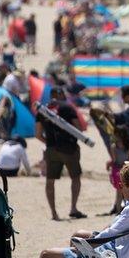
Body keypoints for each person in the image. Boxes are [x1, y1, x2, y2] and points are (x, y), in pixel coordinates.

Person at [35, 86, 86, 220]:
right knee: (75, 178)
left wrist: (49, 142)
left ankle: (54, 213)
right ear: (61, 94)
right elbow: (79, 129)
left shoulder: (42, 110)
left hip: (51, 149)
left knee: (50, 181)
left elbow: (38, 134)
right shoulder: (67, 108)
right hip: (69, 148)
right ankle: (73, 208)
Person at [105, 125, 129, 215]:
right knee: (128, 193)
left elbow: (114, 161)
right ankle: (126, 212)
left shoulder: (114, 146)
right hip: (127, 171)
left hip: (118, 171)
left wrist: (109, 164)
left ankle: (119, 212)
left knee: (119, 193)